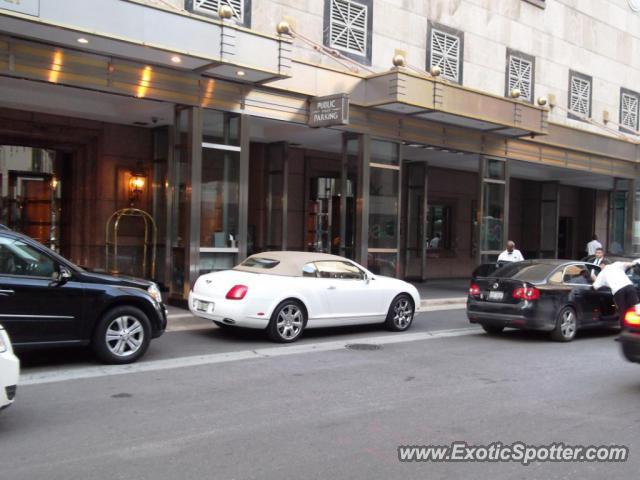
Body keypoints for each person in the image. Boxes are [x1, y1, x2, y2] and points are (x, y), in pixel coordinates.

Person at [592, 260, 640, 327]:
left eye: (600, 267)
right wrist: (635, 263)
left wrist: (595, 279)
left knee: (622, 312)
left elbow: (595, 286)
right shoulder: (616, 264)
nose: (600, 269)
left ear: (603, 265)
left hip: (618, 292)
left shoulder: (602, 273)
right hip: (629, 287)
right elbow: (628, 264)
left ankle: (625, 331)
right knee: (636, 307)